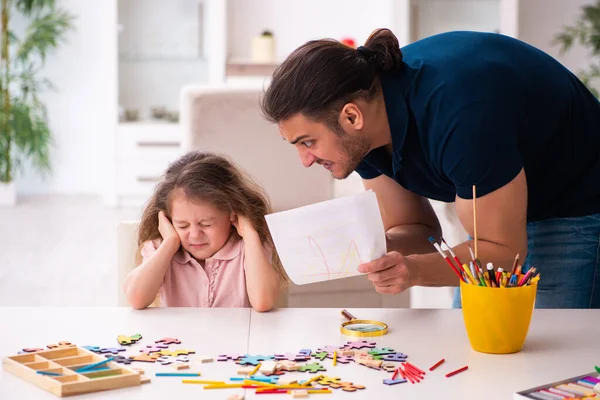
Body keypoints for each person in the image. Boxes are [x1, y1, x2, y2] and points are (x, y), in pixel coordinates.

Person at [260, 28, 600, 308]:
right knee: (473, 343)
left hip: (576, 198)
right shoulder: (362, 132)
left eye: (308, 142)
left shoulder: (460, 116)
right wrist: (377, 247)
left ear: (351, 116)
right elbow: (416, 228)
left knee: (549, 357)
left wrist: (415, 272)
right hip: (500, 209)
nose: (305, 160)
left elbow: (503, 252)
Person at [124, 151, 285, 311]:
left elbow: (263, 302)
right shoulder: (160, 248)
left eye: (206, 224)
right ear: (168, 219)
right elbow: (136, 298)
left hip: (234, 336)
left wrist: (250, 234)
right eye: (182, 225)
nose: (194, 235)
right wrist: (170, 243)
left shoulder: (249, 247)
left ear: (232, 214)